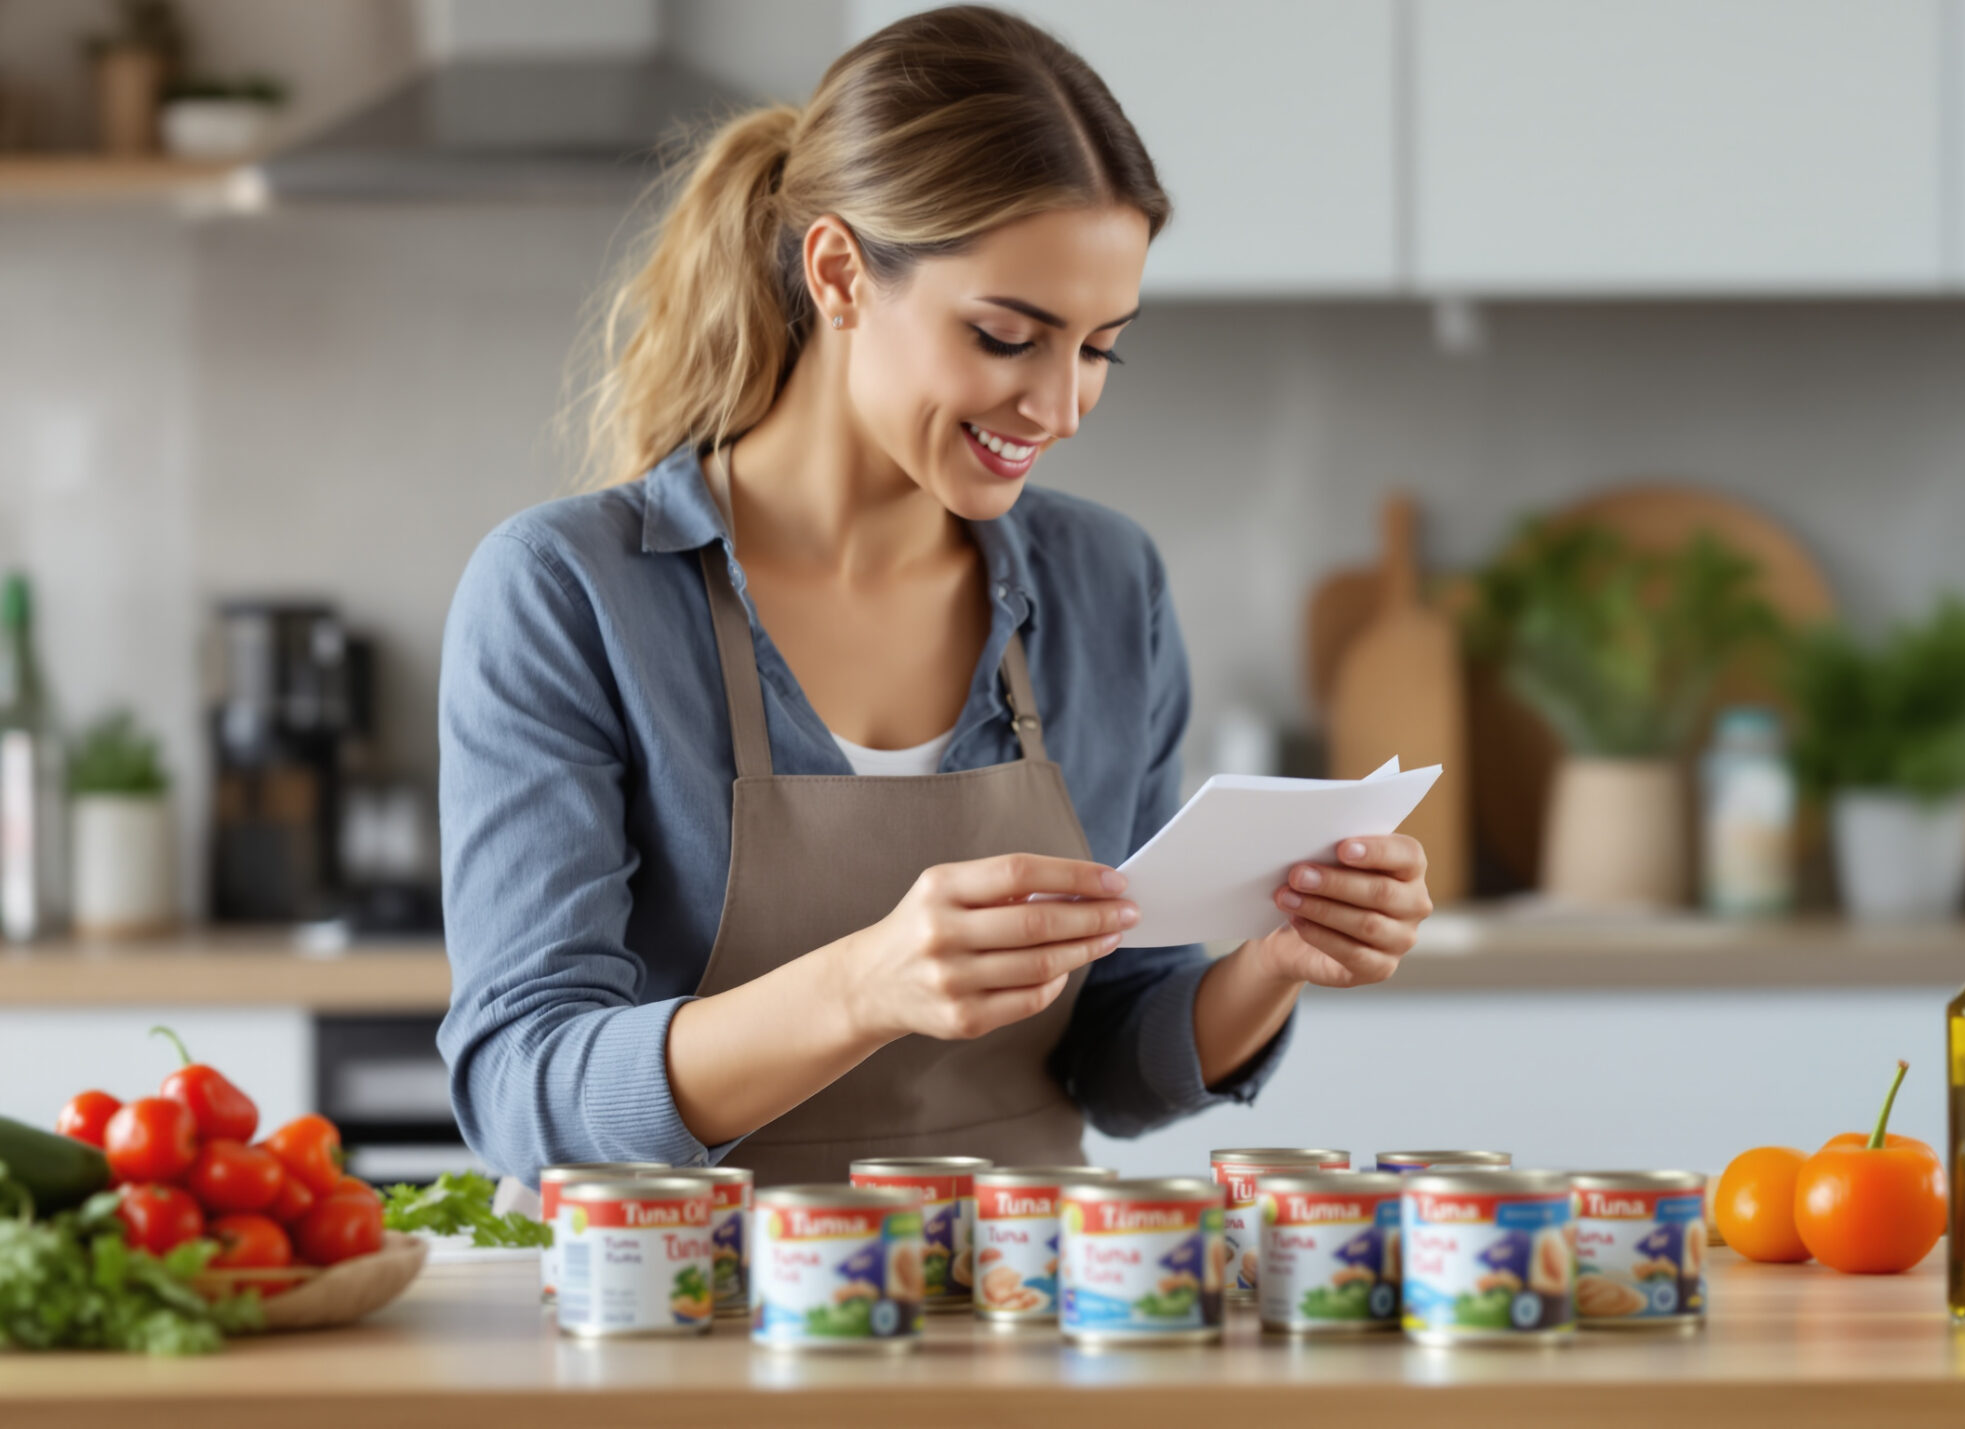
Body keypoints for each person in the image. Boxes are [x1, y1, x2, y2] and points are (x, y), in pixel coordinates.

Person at [435, 6, 1432, 1183]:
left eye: (1099, 348)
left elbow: (1110, 1060)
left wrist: (1273, 962)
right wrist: (865, 986)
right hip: (686, 1290)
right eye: (1008, 336)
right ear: (838, 272)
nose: (1060, 408)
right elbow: (521, 1090)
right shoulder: (570, 593)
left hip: (1024, 1286)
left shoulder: (1105, 584)